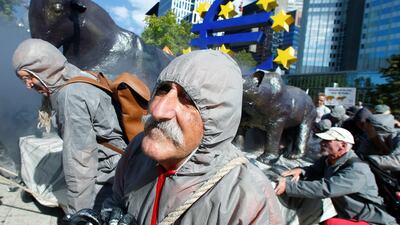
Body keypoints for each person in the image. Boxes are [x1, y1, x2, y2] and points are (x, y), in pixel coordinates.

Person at [102, 50, 284, 224]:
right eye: (163, 90)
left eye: (187, 99)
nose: (158, 111)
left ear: (217, 119)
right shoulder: (136, 150)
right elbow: (116, 202)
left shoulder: (247, 197)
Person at [12, 39, 127, 216]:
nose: (28, 85)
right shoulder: (82, 76)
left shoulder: (70, 96)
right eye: (23, 80)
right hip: (122, 164)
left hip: (110, 176)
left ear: (44, 67)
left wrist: (77, 215)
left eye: (29, 77)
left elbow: (80, 165)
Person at [275, 127, 397, 225]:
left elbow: (326, 188)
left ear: (342, 146)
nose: (321, 143)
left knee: (331, 223)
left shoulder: (357, 169)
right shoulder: (330, 160)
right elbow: (314, 170)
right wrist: (301, 171)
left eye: (327, 141)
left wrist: (288, 186)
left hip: (371, 220)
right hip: (351, 216)